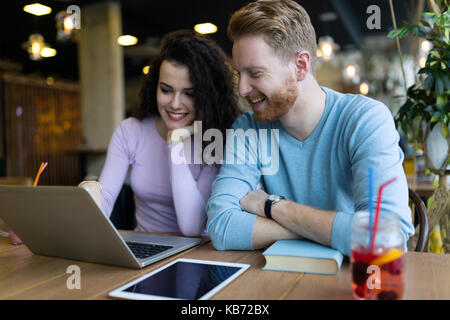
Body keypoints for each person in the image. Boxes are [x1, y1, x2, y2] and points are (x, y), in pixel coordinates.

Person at [206, 0, 415, 256]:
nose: (242, 89)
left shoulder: (365, 119)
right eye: (240, 74)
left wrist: (273, 207)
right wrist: (325, 232)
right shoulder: (247, 128)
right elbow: (221, 227)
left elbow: (387, 238)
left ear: (301, 66)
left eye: (256, 73)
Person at [80, 30, 240, 236]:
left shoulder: (215, 138)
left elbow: (191, 226)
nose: (174, 104)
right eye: (166, 90)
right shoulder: (131, 130)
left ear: (208, 96)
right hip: (144, 249)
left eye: (189, 94)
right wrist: (91, 191)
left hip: (197, 253)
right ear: (154, 86)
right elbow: (106, 201)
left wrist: (175, 145)